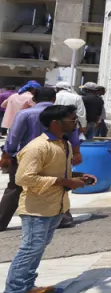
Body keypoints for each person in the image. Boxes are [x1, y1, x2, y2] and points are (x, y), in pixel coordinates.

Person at [4, 104, 95, 293]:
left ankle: (27, 286)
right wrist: (65, 181)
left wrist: (79, 177)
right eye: (72, 120)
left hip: (56, 206)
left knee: (37, 248)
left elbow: (60, 172)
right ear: (55, 123)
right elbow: (24, 178)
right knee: (30, 249)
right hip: (36, 208)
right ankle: (15, 289)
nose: (75, 124)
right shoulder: (37, 147)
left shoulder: (65, 144)